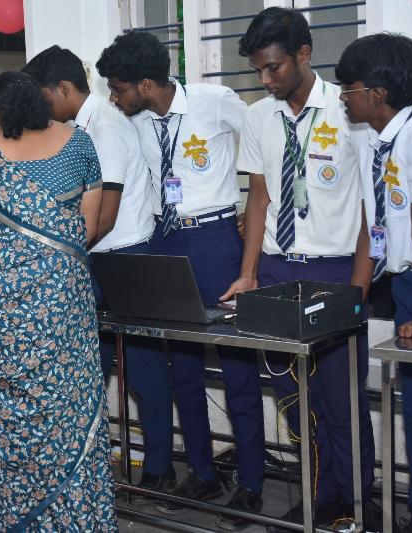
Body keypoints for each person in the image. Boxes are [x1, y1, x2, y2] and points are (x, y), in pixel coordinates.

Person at [97, 31, 266, 528]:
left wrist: (258, 213)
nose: (115, 96)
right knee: (182, 369)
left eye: (120, 87)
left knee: (237, 368)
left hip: (215, 242)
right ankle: (202, 472)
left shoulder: (215, 103)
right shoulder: (137, 122)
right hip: (166, 242)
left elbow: (264, 146)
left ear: (147, 83)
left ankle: (252, 485)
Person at [222, 8, 379, 530]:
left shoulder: (347, 110)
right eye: (259, 71)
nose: (265, 80)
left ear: (304, 56)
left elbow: (366, 212)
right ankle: (318, 497)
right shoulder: (257, 116)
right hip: (275, 270)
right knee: (295, 403)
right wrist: (249, 274)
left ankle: (355, 502)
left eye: (274, 68)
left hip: (334, 274)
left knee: (341, 404)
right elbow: (261, 198)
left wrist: (357, 290)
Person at [0, 71, 117, 531]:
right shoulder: (78, 143)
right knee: (68, 403)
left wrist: (2, 248)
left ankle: (15, 513)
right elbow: (87, 228)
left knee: (3, 407)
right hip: (61, 299)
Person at [22, 46, 176, 498]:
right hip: (96, 259)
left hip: (126, 258)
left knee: (145, 373)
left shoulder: (105, 128)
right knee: (92, 369)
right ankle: (90, 464)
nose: (40, 108)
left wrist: (57, 256)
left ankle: (160, 469)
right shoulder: (80, 127)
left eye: (43, 97)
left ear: (63, 89)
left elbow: (102, 219)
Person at [336, 33, 412, 533]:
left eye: (348, 90)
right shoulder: (370, 143)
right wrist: (353, 298)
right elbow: (370, 226)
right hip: (401, 284)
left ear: (376, 93)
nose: (343, 99)